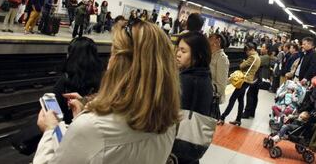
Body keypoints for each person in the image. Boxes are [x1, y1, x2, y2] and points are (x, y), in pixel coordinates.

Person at [34, 20, 180, 163]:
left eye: (112, 54)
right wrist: (85, 113)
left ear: (120, 65)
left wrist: (50, 131)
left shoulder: (91, 128)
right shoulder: (169, 123)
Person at [174, 31, 214, 164]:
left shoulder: (185, 80)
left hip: (178, 147)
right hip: (193, 145)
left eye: (183, 51)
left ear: (198, 56)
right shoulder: (205, 76)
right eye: (178, 49)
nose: (178, 54)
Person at [54, 37, 103, 124]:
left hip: (69, 129)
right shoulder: (102, 81)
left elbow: (55, 113)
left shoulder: (64, 81)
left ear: (71, 55)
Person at [218, 42, 260, 126]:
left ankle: (222, 117)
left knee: (232, 99)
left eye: (247, 51)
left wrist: (243, 62)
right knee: (240, 99)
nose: (246, 53)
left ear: (252, 50)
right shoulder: (257, 57)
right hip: (247, 80)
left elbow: (241, 66)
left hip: (244, 80)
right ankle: (238, 119)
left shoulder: (252, 57)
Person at [243, 43, 270, 119]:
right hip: (258, 78)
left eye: (263, 47)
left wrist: (247, 61)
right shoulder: (261, 56)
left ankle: (247, 113)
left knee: (250, 94)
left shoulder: (265, 57)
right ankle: (252, 112)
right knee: (254, 95)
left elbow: (254, 62)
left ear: (267, 50)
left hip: (256, 78)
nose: (261, 48)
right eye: (261, 47)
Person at [208, 33, 230, 104]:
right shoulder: (210, 55)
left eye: (211, 38)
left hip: (211, 99)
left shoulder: (222, 59)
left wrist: (203, 84)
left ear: (218, 41)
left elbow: (221, 87)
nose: (208, 40)